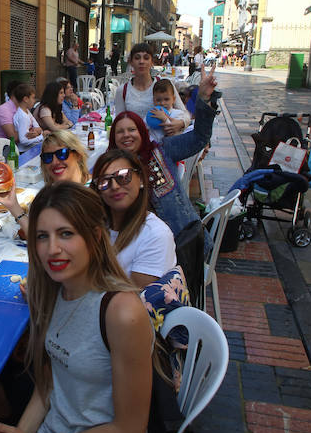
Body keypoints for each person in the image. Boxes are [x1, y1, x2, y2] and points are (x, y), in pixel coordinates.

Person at [0, 182, 154, 433]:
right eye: (42, 236)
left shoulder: (122, 312)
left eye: (66, 234)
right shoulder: (56, 291)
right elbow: (48, 386)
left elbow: (129, 432)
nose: (52, 249)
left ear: (94, 237)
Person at [109, 66, 219, 246]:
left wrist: (204, 98)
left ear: (142, 132)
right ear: (113, 137)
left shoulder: (161, 150)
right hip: (138, 249)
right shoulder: (111, 169)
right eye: (120, 131)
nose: (126, 135)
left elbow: (199, 138)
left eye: (132, 129)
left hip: (183, 247)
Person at [90, 150, 177, 288]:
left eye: (124, 176)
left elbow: (136, 299)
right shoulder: (95, 225)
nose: (115, 186)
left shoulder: (155, 235)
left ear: (141, 179)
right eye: (104, 181)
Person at [0, 130, 90, 237]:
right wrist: (13, 205)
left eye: (61, 154)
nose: (54, 162)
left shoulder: (93, 194)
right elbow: (38, 235)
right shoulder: (52, 196)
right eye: (48, 157)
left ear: (78, 155)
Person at [146, 79, 192, 144]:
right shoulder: (152, 113)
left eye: (166, 99)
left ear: (173, 99)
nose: (162, 103)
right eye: (158, 100)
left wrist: (165, 119)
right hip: (154, 149)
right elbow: (143, 126)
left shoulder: (178, 114)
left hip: (172, 148)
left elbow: (172, 133)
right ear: (153, 100)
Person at [13, 83, 44, 153]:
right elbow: (23, 140)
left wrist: (36, 133)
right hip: (24, 151)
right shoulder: (22, 116)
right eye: (33, 98)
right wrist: (41, 137)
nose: (34, 100)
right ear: (26, 99)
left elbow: (38, 128)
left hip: (32, 147)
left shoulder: (27, 112)